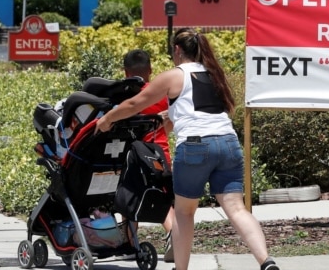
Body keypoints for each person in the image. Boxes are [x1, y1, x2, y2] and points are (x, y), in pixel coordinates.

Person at [97, 29, 280, 270]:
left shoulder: (174, 76)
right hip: (228, 143)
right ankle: (266, 261)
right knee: (236, 208)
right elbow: (196, 110)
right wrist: (170, 117)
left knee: (184, 213)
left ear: (177, 50)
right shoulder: (214, 74)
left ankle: (180, 268)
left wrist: (107, 119)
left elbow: (134, 103)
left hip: (195, 147)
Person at [122, 49, 176, 262]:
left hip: (135, 156)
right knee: (162, 200)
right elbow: (169, 125)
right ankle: (174, 234)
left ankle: (131, 244)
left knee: (128, 198)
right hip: (161, 155)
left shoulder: (128, 96)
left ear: (126, 72)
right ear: (151, 70)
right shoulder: (161, 94)